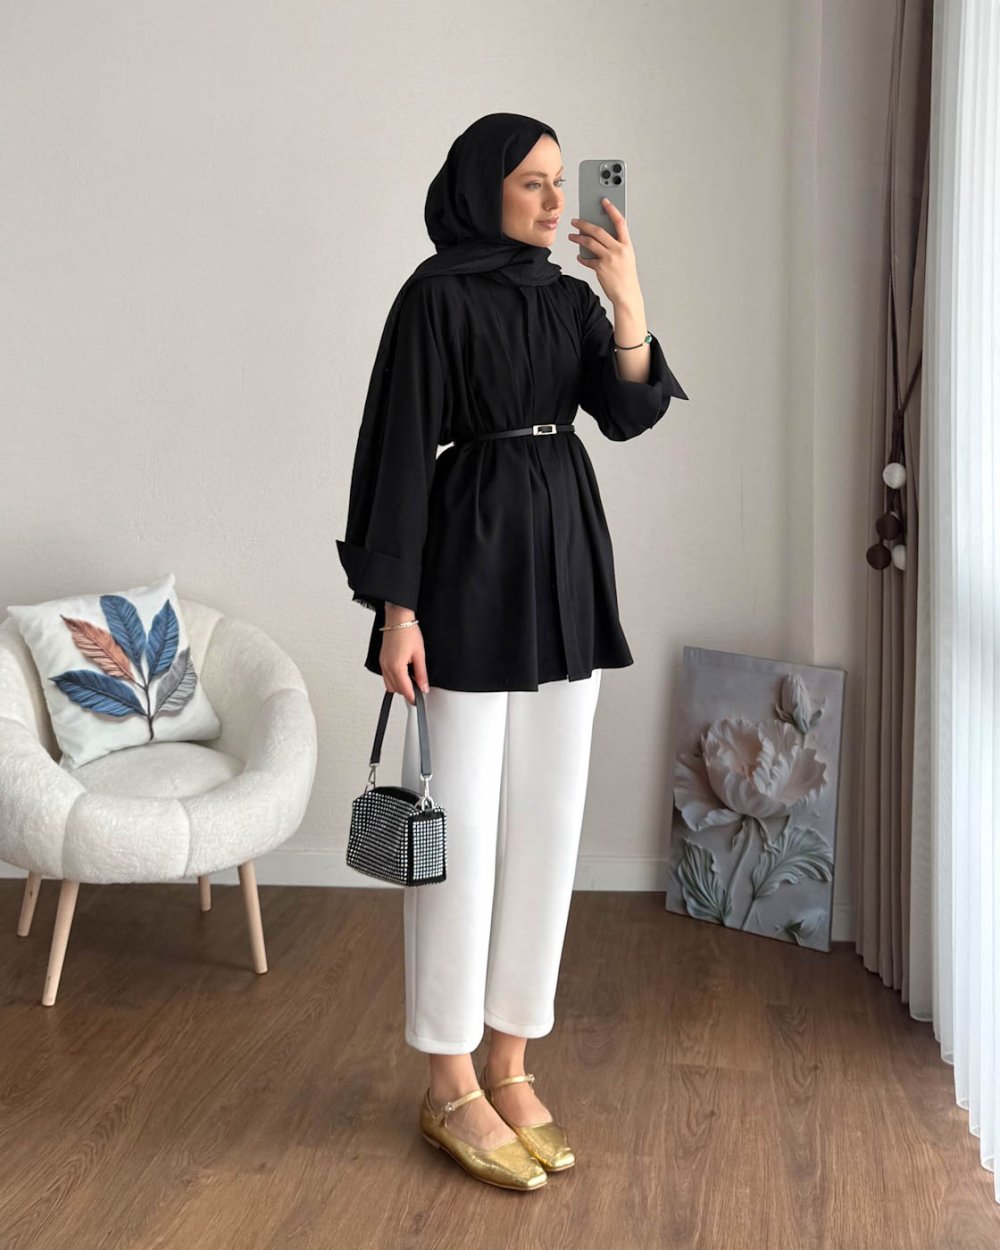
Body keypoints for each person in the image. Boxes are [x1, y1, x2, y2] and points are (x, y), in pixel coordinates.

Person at [337, 113, 688, 1191]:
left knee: (549, 822)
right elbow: (398, 452)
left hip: (566, 562)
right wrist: (398, 613)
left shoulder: (568, 297)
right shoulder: (433, 297)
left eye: (557, 181)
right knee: (458, 829)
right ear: (481, 187)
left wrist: (626, 294)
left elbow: (625, 413)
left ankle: (510, 1057)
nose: (552, 199)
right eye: (531, 182)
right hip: (467, 568)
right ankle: (448, 1075)